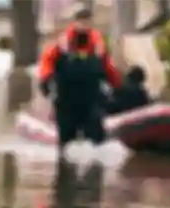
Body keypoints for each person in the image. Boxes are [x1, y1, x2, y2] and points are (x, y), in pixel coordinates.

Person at [37, 8, 122, 148]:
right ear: (75, 22)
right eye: (81, 21)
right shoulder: (63, 42)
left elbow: (107, 66)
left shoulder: (97, 43)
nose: (84, 25)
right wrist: (46, 80)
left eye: (87, 21)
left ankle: (96, 165)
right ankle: (64, 165)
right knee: (66, 140)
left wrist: (117, 86)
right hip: (66, 100)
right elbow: (48, 61)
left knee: (96, 140)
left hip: (91, 99)